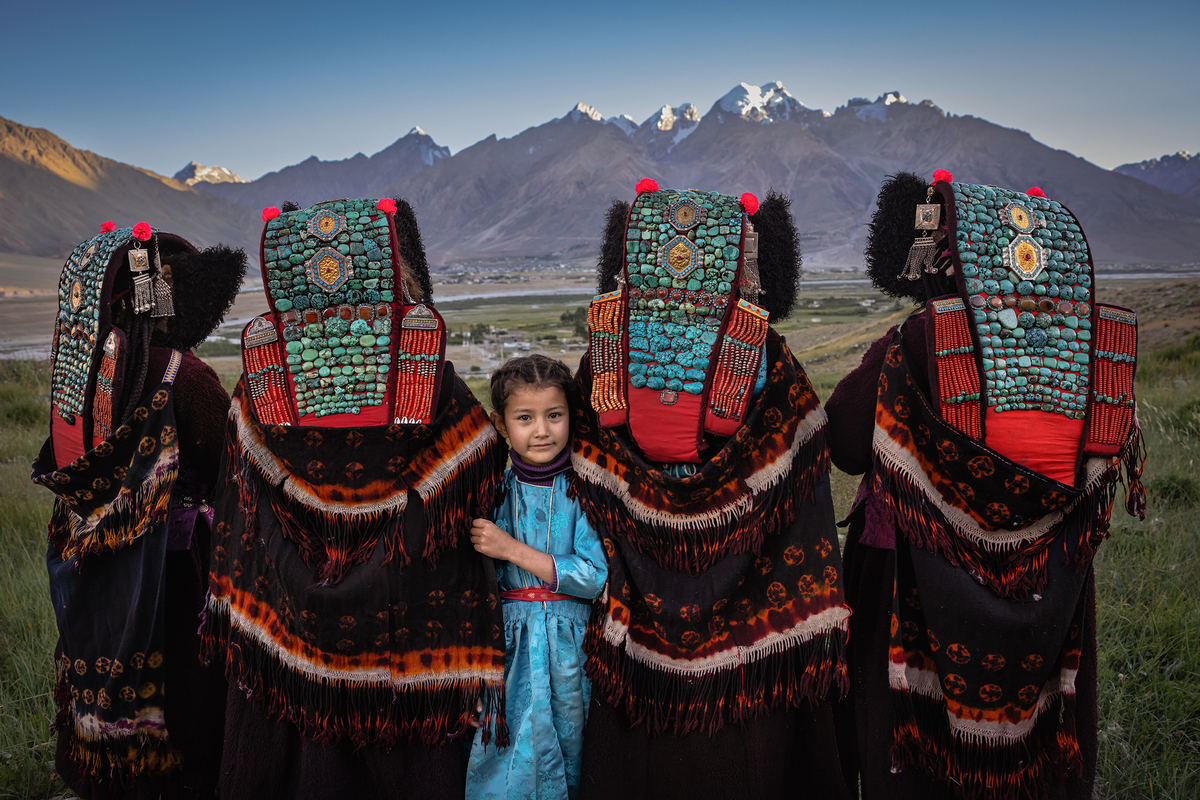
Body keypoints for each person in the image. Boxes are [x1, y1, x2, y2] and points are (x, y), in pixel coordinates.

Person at [827, 171, 1146, 800]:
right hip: (1048, 589)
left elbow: (844, 444)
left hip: (909, 580)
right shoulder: (1087, 350)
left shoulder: (918, 339)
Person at [201, 198, 508, 800]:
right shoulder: (426, 374)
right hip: (405, 629)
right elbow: (481, 466)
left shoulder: (260, 379)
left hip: (289, 625)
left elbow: (239, 495)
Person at [573, 181, 852, 800]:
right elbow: (806, 464)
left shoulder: (606, 353)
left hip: (633, 624)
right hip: (751, 620)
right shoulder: (768, 354)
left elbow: (578, 463)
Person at [33, 220, 246, 798]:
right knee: (184, 693)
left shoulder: (84, 373)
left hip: (97, 558)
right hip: (174, 566)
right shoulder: (183, 373)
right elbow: (230, 456)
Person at [464, 354, 608, 800]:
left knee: (570, 747)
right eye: (525, 418)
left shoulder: (585, 492)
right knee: (504, 755)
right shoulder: (491, 491)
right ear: (501, 424)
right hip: (507, 646)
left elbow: (594, 576)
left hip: (571, 646)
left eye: (554, 415)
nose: (542, 430)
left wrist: (511, 550)